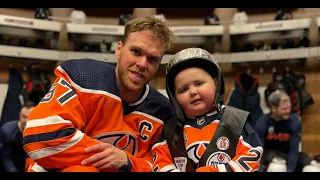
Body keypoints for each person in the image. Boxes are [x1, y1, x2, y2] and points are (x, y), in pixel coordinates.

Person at [22, 15, 175, 172]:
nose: (142, 64)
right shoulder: (84, 77)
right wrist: (111, 159)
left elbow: (161, 166)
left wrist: (126, 161)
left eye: (152, 59)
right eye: (136, 52)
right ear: (119, 49)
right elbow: (40, 135)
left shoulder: (162, 110)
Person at [152, 48, 263, 172]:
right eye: (183, 89)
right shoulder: (170, 130)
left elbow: (252, 155)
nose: (193, 92)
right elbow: (160, 161)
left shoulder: (235, 121)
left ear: (216, 83)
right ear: (174, 97)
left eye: (199, 83)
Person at [254, 90, 313, 172]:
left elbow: (294, 150)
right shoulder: (262, 122)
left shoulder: (295, 121)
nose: (288, 111)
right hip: (269, 154)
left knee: (312, 167)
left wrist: (290, 170)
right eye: (284, 109)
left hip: (288, 153)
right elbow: (258, 151)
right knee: (277, 167)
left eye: (289, 107)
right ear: (274, 108)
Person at [0, 102, 35, 172]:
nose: (27, 121)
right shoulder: (7, 131)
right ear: (19, 115)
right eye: (24, 117)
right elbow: (6, 157)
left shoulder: (40, 132)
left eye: (30, 116)